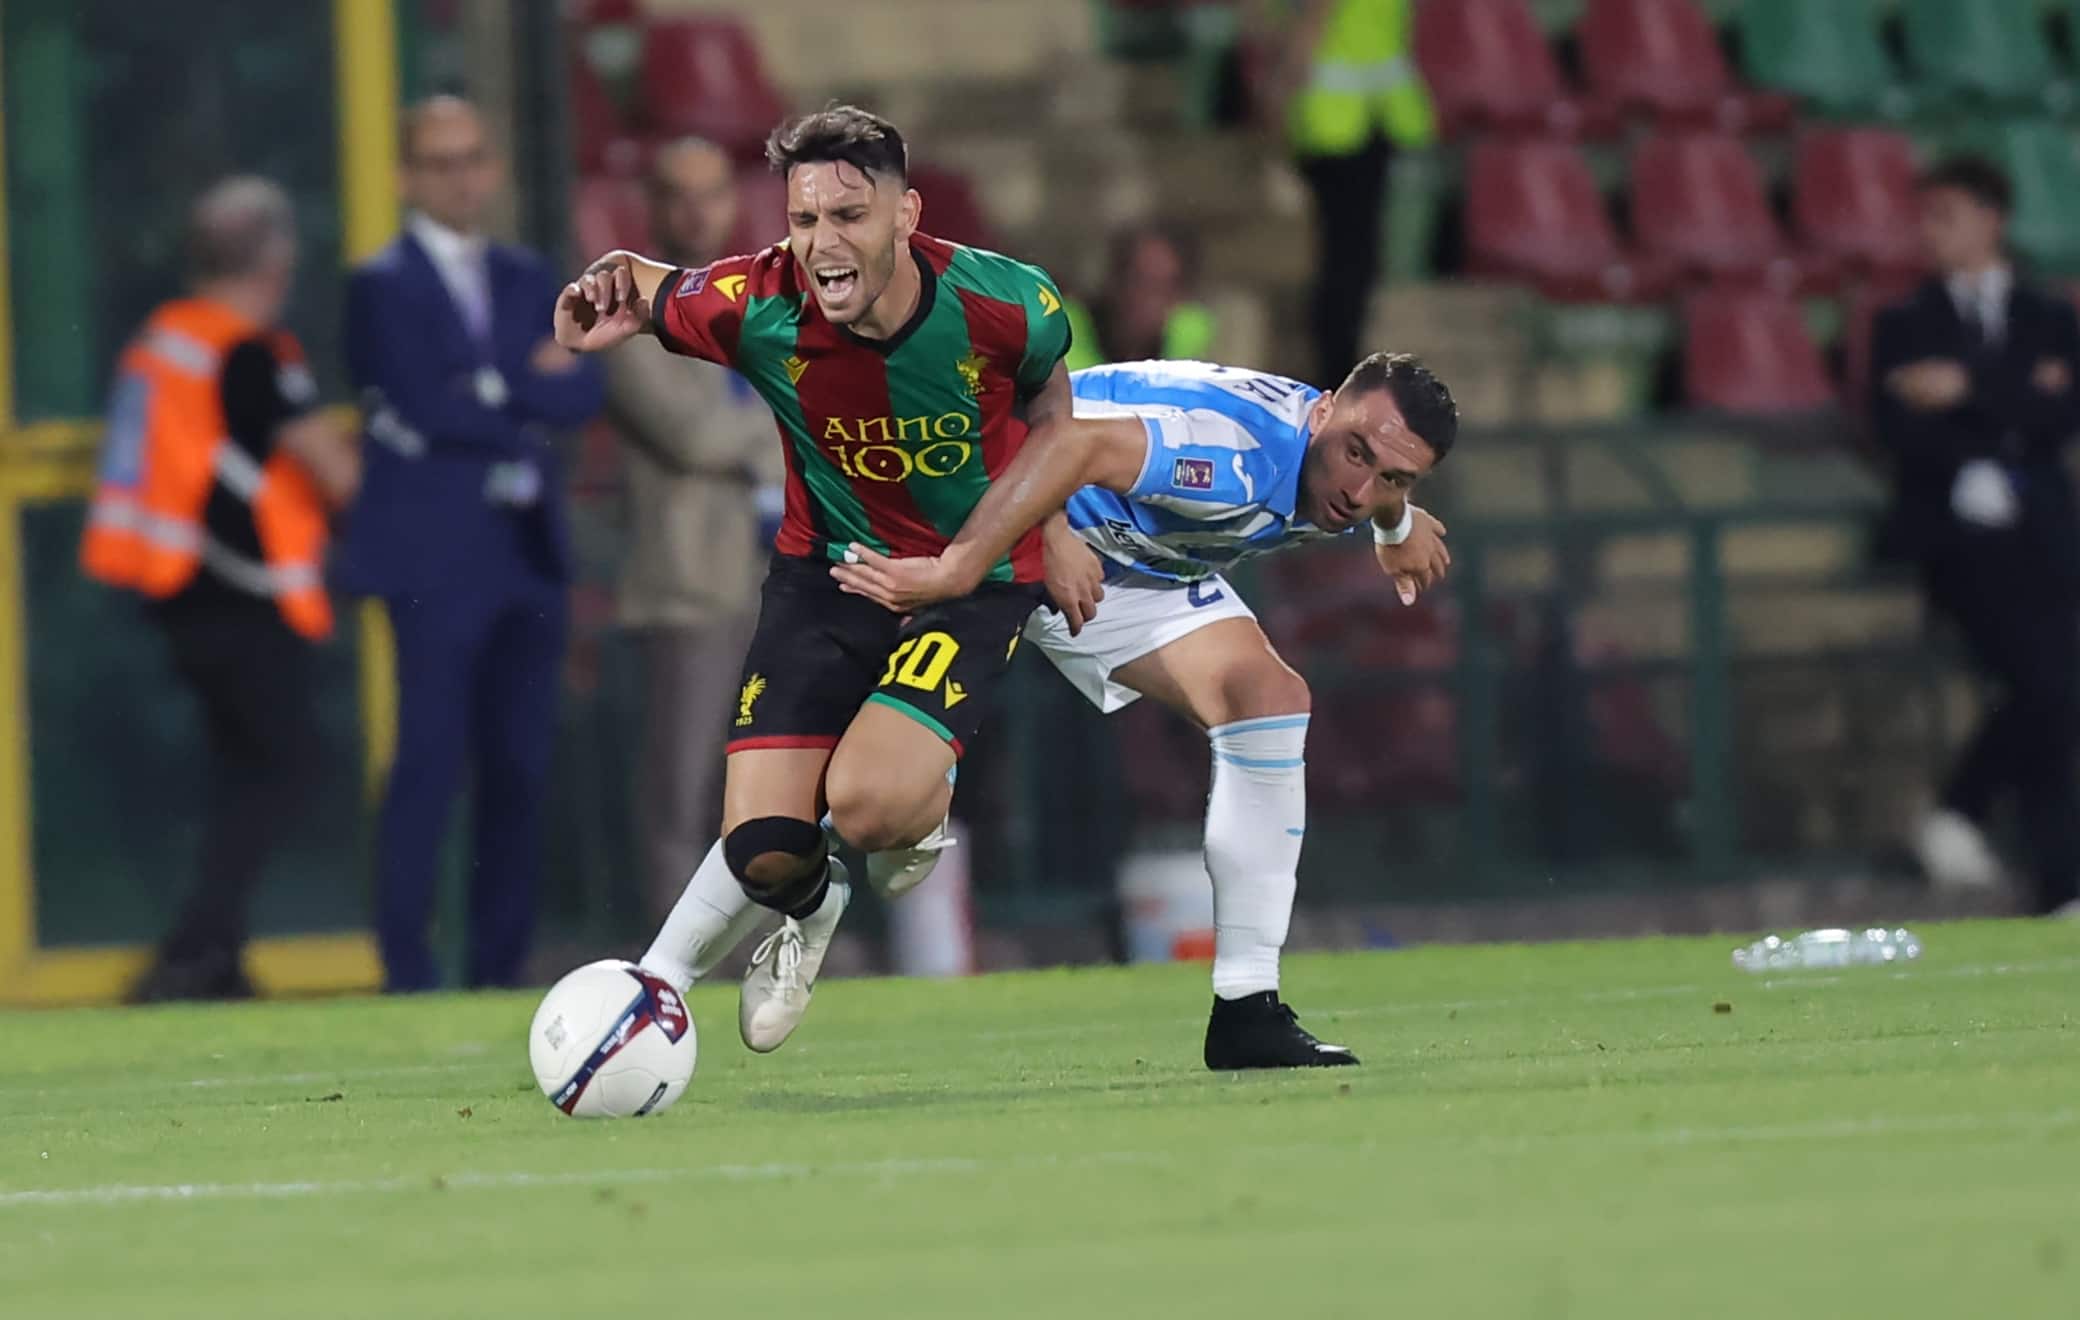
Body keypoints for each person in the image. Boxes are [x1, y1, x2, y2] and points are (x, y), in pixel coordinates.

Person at [642, 353, 1456, 1069]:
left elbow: (1375, 468)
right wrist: (1055, 532)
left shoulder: (1349, 466)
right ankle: (663, 977)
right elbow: (1070, 443)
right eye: (1356, 455)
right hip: (1001, 521)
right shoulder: (1228, 454)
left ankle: (1248, 1009)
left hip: (1127, 570)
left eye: (1393, 480)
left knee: (1268, 697)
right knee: (851, 793)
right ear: (1322, 412)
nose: (1361, 489)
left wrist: (1396, 526)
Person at [554, 106, 1073, 1038]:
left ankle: (912, 804)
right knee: (760, 851)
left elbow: (1050, 400)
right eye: (803, 220)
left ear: (907, 214)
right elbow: (650, 283)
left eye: (848, 216)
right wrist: (607, 290)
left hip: (969, 579)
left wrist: (1057, 529)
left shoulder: (1006, 300)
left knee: (867, 807)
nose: (822, 243)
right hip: (826, 578)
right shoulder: (759, 300)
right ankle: (815, 905)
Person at [340, 96, 605, 991]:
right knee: (427, 761)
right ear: (406, 176)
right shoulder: (381, 284)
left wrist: (489, 389)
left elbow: (582, 391)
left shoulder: (529, 276)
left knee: (519, 766)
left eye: (471, 158)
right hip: (431, 557)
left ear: (492, 168)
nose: (459, 178)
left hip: (524, 552)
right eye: (439, 161)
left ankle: (500, 966)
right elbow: (422, 402)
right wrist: (520, 384)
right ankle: (406, 968)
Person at [80, 176, 361, 1001]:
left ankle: (217, 954)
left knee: (246, 770)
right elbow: (332, 471)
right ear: (273, 260)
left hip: (174, 590)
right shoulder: (247, 351)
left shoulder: (164, 339)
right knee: (283, 766)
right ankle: (195, 952)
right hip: (243, 598)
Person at [1872, 156, 2080, 917]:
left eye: (1946, 215)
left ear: (1992, 220)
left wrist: (1966, 389)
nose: (1931, 232)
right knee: (2047, 686)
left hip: (2046, 536)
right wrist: (2015, 398)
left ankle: (2052, 882)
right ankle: (1971, 819)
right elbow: (1897, 429)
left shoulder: (2048, 315)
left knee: (2052, 694)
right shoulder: (1904, 321)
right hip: (1958, 543)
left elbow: (2064, 416)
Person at [604, 138, 787, 927]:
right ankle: (673, 963)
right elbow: (692, 435)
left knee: (764, 791)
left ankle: (761, 947)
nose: (695, 211)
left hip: (779, 581)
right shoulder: (624, 312)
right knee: (679, 794)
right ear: (651, 205)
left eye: (709, 193)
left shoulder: (764, 302)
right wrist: (785, 425)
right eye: (676, 194)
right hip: (687, 587)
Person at [1254, 0, 1435, 385]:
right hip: (1361, 121)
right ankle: (1337, 372)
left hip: (1345, 122)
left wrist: (1278, 99)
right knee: (1350, 260)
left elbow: (1305, 29)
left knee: (1345, 260)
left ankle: (1337, 372)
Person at [1063, 225, 1216, 372]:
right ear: (1115, 281)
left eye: (1166, 286)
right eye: (1141, 281)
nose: (1152, 299)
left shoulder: (1192, 334)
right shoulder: (1063, 330)